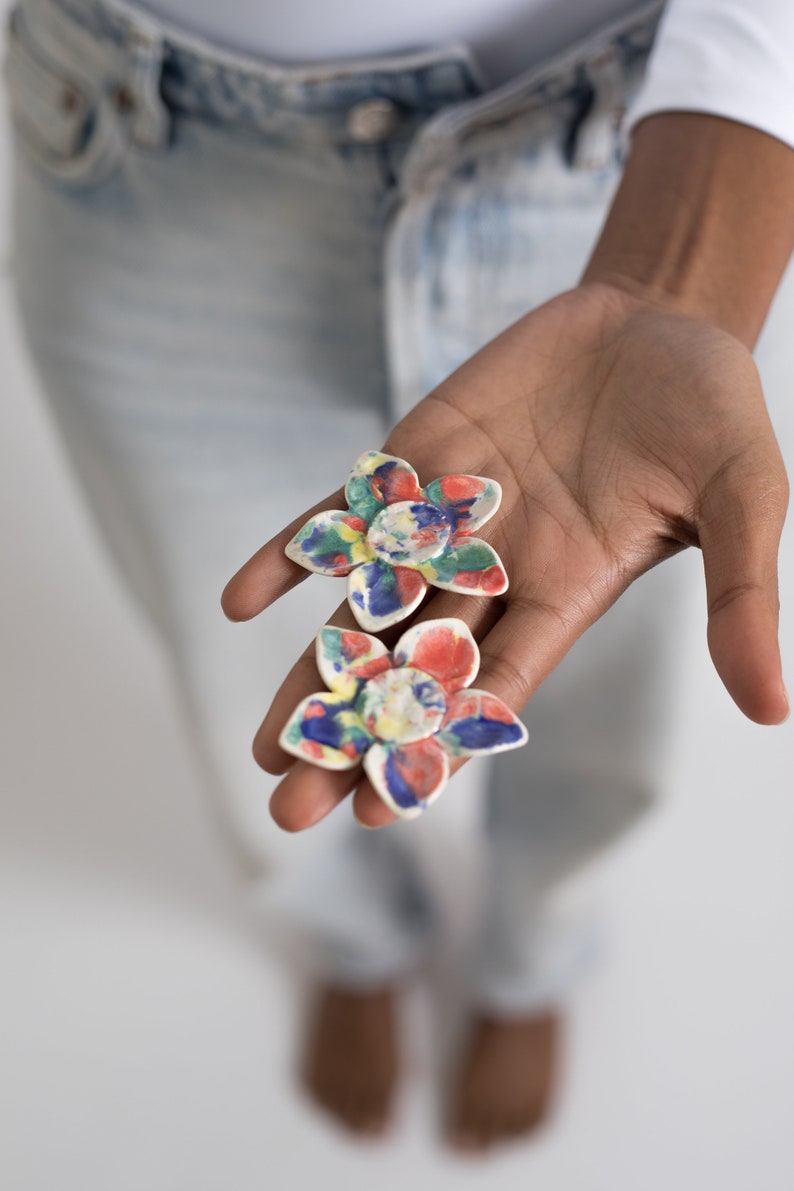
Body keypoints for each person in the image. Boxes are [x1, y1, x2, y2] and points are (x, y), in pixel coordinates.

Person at [5, 0, 793, 1151]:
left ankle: (535, 955)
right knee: (247, 680)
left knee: (591, 675)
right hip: (144, 149)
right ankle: (351, 939)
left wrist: (677, 274)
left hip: (619, 148)